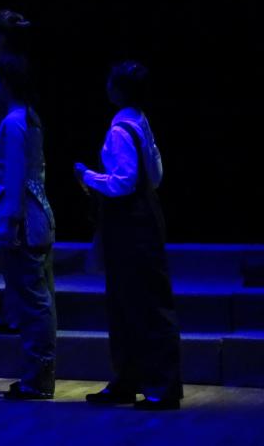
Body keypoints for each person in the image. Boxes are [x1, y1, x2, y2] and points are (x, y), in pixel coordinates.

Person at [75, 61, 183, 411]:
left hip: (129, 222)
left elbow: (123, 182)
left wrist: (88, 176)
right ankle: (129, 380)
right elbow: (156, 174)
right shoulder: (141, 121)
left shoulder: (121, 129)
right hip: (144, 216)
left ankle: (159, 386)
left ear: (118, 89)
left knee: (144, 304)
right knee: (130, 303)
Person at [0, 53, 56, 400]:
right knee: (36, 299)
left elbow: (14, 177)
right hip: (36, 216)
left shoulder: (15, 122)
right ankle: (37, 375)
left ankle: (38, 378)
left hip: (24, 221)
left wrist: (10, 223)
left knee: (32, 302)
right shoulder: (27, 117)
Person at [0, 9, 33, 335]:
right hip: (1, 156)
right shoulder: (3, 67)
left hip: (10, 162)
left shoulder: (11, 69)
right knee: (9, 248)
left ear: (1, 36)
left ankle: (18, 314)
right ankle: (13, 310)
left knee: (14, 243)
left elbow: (18, 122)